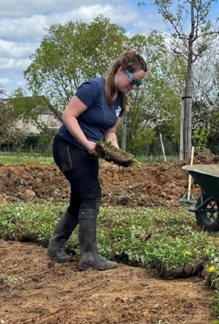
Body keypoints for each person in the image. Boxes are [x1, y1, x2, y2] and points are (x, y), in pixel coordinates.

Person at [47, 51, 147, 271]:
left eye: (139, 83)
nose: (135, 86)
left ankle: (56, 245)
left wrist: (116, 152)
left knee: (80, 198)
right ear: (121, 71)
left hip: (90, 151)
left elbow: (110, 131)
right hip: (68, 146)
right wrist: (87, 143)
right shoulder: (93, 88)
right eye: (134, 80)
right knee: (92, 194)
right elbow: (68, 116)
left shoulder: (121, 100)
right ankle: (89, 256)